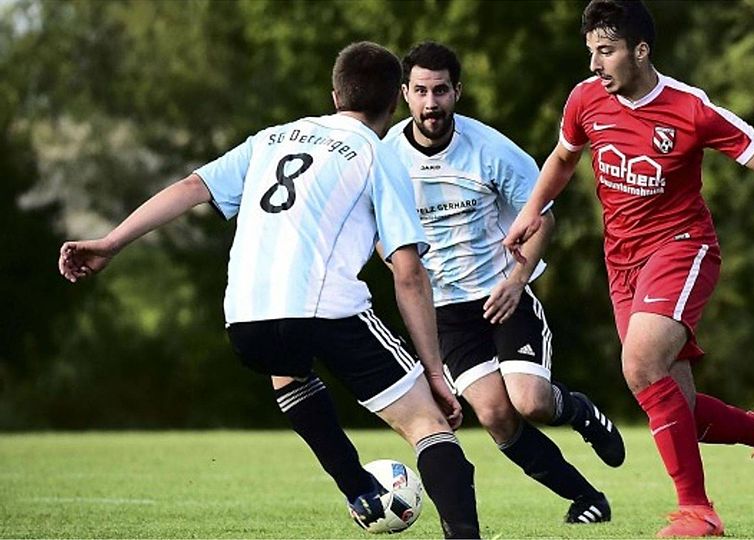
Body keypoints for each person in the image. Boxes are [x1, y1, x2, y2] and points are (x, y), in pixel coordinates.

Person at [58, 41, 481, 539]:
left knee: (288, 369)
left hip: (245, 316)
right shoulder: (376, 153)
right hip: (324, 309)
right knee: (426, 424)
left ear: (334, 93)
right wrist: (434, 370)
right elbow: (407, 271)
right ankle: (463, 534)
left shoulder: (271, 139)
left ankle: (359, 489)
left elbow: (193, 187)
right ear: (395, 102)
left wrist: (111, 242)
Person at [503, 1, 754, 537]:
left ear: (641, 51)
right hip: (622, 263)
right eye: (591, 53)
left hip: (683, 248)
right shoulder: (586, 100)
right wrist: (531, 211)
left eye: (605, 52)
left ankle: (697, 512)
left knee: (640, 364)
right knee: (681, 410)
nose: (594, 65)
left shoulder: (690, 109)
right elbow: (562, 159)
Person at [382, 41, 625, 525]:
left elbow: (544, 219)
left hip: (503, 294)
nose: (432, 103)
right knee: (495, 417)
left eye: (442, 91)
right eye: (422, 92)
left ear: (458, 92)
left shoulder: (490, 150)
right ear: (405, 94)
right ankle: (586, 498)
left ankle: (580, 413)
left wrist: (517, 280)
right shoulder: (385, 157)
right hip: (447, 312)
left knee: (531, 403)